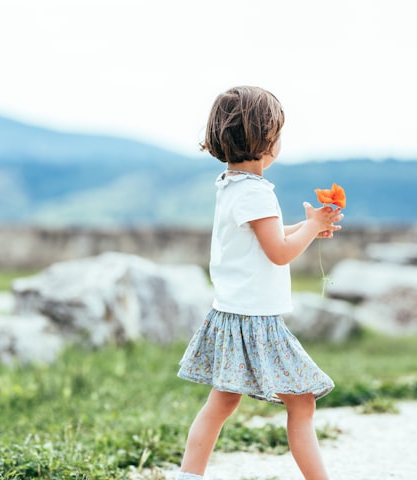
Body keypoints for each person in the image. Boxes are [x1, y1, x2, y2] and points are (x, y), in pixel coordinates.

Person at [175, 86, 343, 480]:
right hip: (256, 322)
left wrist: (308, 227)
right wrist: (312, 226)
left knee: (221, 403)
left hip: (233, 315)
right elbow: (280, 252)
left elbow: (261, 238)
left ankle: (188, 476)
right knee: (301, 403)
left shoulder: (232, 186)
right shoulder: (257, 193)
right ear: (267, 139)